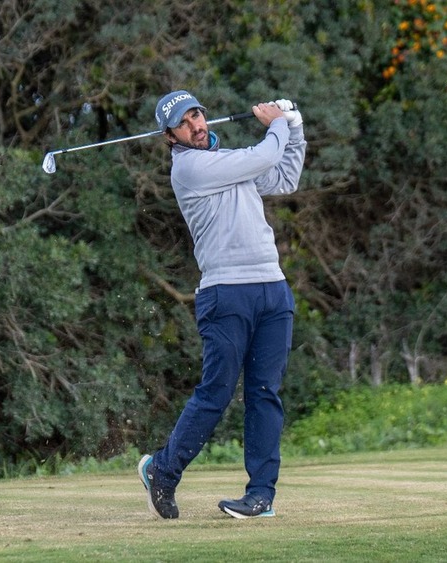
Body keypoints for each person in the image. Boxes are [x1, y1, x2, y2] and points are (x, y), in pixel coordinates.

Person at [138, 90, 306, 519]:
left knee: (265, 393)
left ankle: (261, 496)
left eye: (197, 116)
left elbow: (284, 176)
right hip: (224, 293)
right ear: (170, 136)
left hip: (272, 287)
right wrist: (278, 124)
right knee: (215, 392)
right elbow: (261, 158)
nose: (196, 126)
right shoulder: (190, 168)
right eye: (184, 123)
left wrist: (295, 128)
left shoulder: (229, 160)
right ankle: (164, 470)